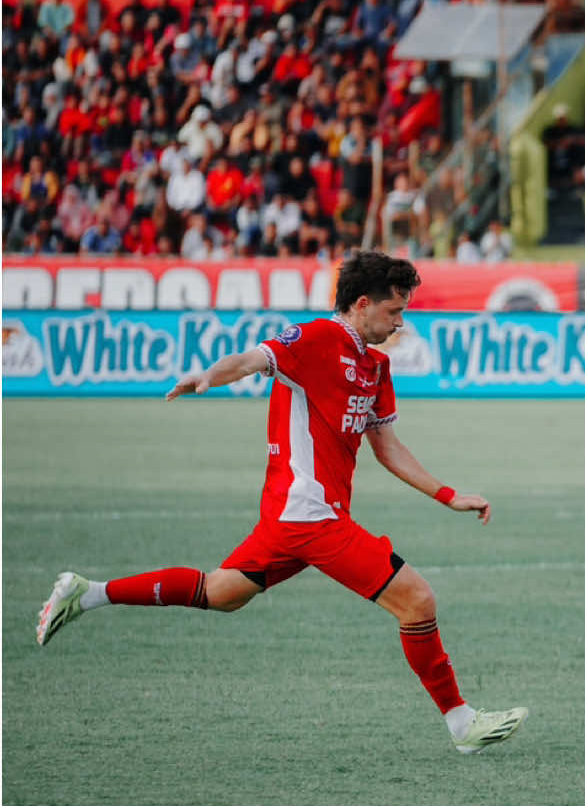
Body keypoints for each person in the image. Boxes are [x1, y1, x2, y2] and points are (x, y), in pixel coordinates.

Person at [36, 252, 527, 755]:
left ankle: (88, 592)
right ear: (362, 304)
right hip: (309, 514)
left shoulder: (374, 365)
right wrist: (210, 374)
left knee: (221, 592)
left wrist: (448, 496)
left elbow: (388, 448)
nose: (400, 323)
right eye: (394, 312)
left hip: (294, 518)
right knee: (417, 600)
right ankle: (462, 724)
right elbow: (253, 360)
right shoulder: (315, 339)